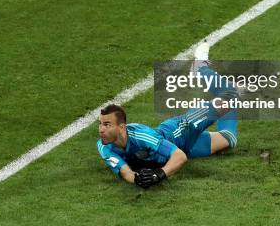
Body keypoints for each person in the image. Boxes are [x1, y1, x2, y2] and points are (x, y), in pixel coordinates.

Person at [97, 42, 239, 188]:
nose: (101, 130)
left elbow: (179, 157)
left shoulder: (141, 137)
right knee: (229, 139)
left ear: (121, 127)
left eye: (107, 125)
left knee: (230, 96)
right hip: (181, 149)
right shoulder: (104, 146)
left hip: (181, 131)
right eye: (100, 124)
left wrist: (158, 174)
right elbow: (126, 172)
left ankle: (201, 69)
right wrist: (138, 180)